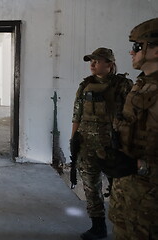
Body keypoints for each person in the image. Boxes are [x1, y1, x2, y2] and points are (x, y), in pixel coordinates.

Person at [70, 47, 133, 240]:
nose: (92, 64)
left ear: (110, 64)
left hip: (113, 146)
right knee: (90, 186)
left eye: (97, 61)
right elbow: (77, 115)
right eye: (91, 61)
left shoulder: (123, 85)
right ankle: (98, 227)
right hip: (87, 144)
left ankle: (124, 227)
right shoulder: (85, 85)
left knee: (120, 188)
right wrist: (73, 140)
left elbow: (132, 117)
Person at [109, 17, 158, 240]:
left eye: (137, 47)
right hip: (130, 189)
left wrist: (141, 166)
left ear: (155, 50)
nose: (131, 52)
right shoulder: (141, 84)